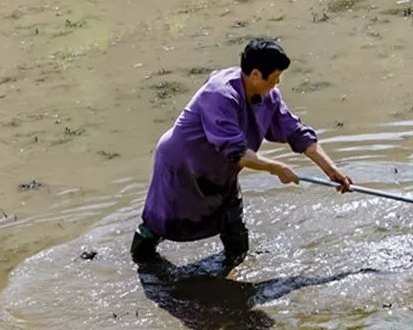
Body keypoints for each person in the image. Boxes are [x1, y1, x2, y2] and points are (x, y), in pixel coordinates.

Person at [131, 38, 352, 266]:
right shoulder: (220, 93)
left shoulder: (269, 96)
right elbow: (236, 152)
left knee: (232, 220)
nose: (277, 84)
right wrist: (277, 168)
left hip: (222, 169)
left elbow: (297, 133)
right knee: (161, 221)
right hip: (183, 165)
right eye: (274, 78)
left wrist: (331, 170)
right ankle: (140, 261)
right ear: (255, 74)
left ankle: (235, 266)